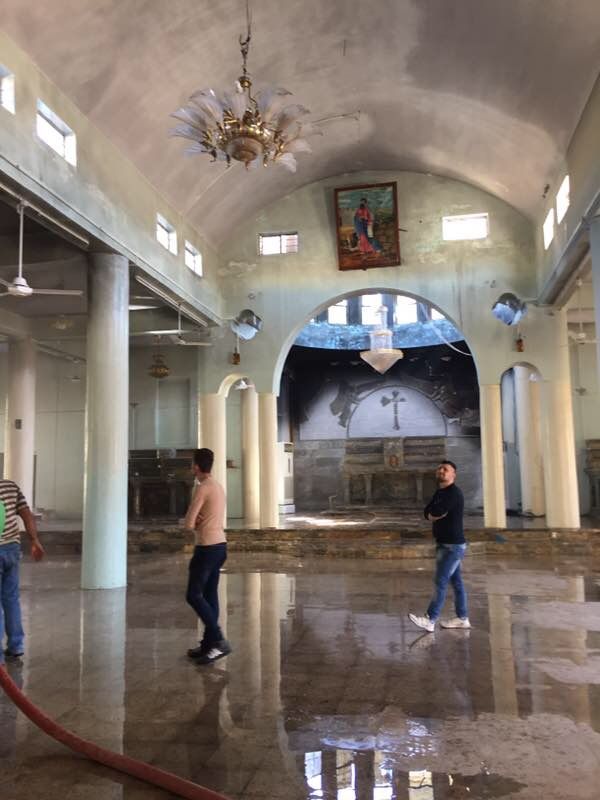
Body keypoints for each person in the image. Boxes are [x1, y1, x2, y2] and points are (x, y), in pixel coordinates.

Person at [408, 460, 470, 633]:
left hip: (453, 546)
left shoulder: (454, 493)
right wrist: (432, 514)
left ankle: (430, 619)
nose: (441, 471)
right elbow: (427, 512)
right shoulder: (440, 492)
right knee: (456, 582)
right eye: (440, 468)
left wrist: (433, 514)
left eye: (446, 469)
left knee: (440, 581)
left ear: (453, 474)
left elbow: (436, 511)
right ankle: (462, 618)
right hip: (443, 543)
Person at [183, 448, 231, 665]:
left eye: (192, 464)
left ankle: (218, 640)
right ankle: (208, 645)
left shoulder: (202, 488)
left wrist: (194, 521)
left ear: (196, 466)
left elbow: (188, 523)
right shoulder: (217, 486)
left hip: (207, 548)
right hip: (220, 546)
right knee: (210, 595)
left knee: (193, 595)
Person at [0, 479, 44, 666]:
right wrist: (35, 540)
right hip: (11, 548)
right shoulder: (10, 487)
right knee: (11, 599)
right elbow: (27, 514)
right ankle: (16, 646)